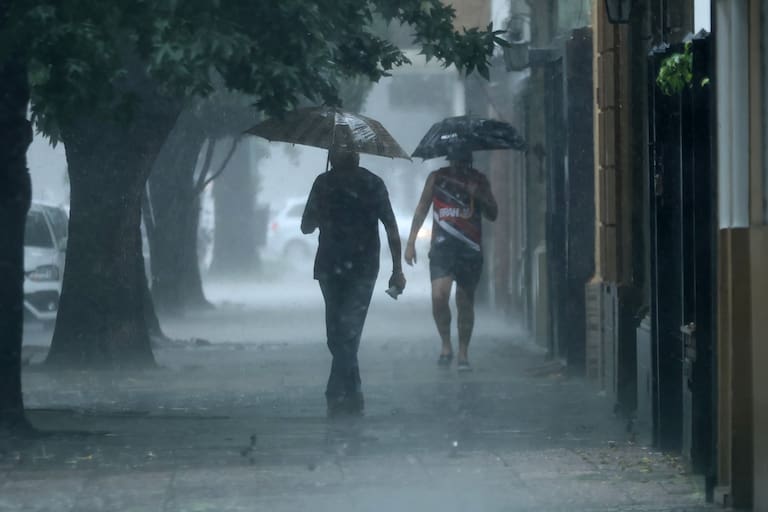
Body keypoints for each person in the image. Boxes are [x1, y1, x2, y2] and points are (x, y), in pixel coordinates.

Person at [301, 143, 406, 417]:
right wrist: (397, 269)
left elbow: (305, 226)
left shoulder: (330, 183)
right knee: (344, 333)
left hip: (341, 267)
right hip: (353, 267)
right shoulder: (366, 183)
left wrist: (397, 269)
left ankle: (338, 391)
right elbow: (391, 227)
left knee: (339, 333)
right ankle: (353, 388)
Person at [404, 147, 497, 371]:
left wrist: (479, 195)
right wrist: (411, 242)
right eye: (456, 161)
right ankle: (446, 344)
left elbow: (493, 214)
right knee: (439, 297)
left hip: (469, 249)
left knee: (465, 302)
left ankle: (463, 352)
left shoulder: (479, 180)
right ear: (450, 160)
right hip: (442, 249)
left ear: (470, 161)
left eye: (464, 161)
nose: (460, 166)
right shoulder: (437, 178)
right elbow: (422, 208)